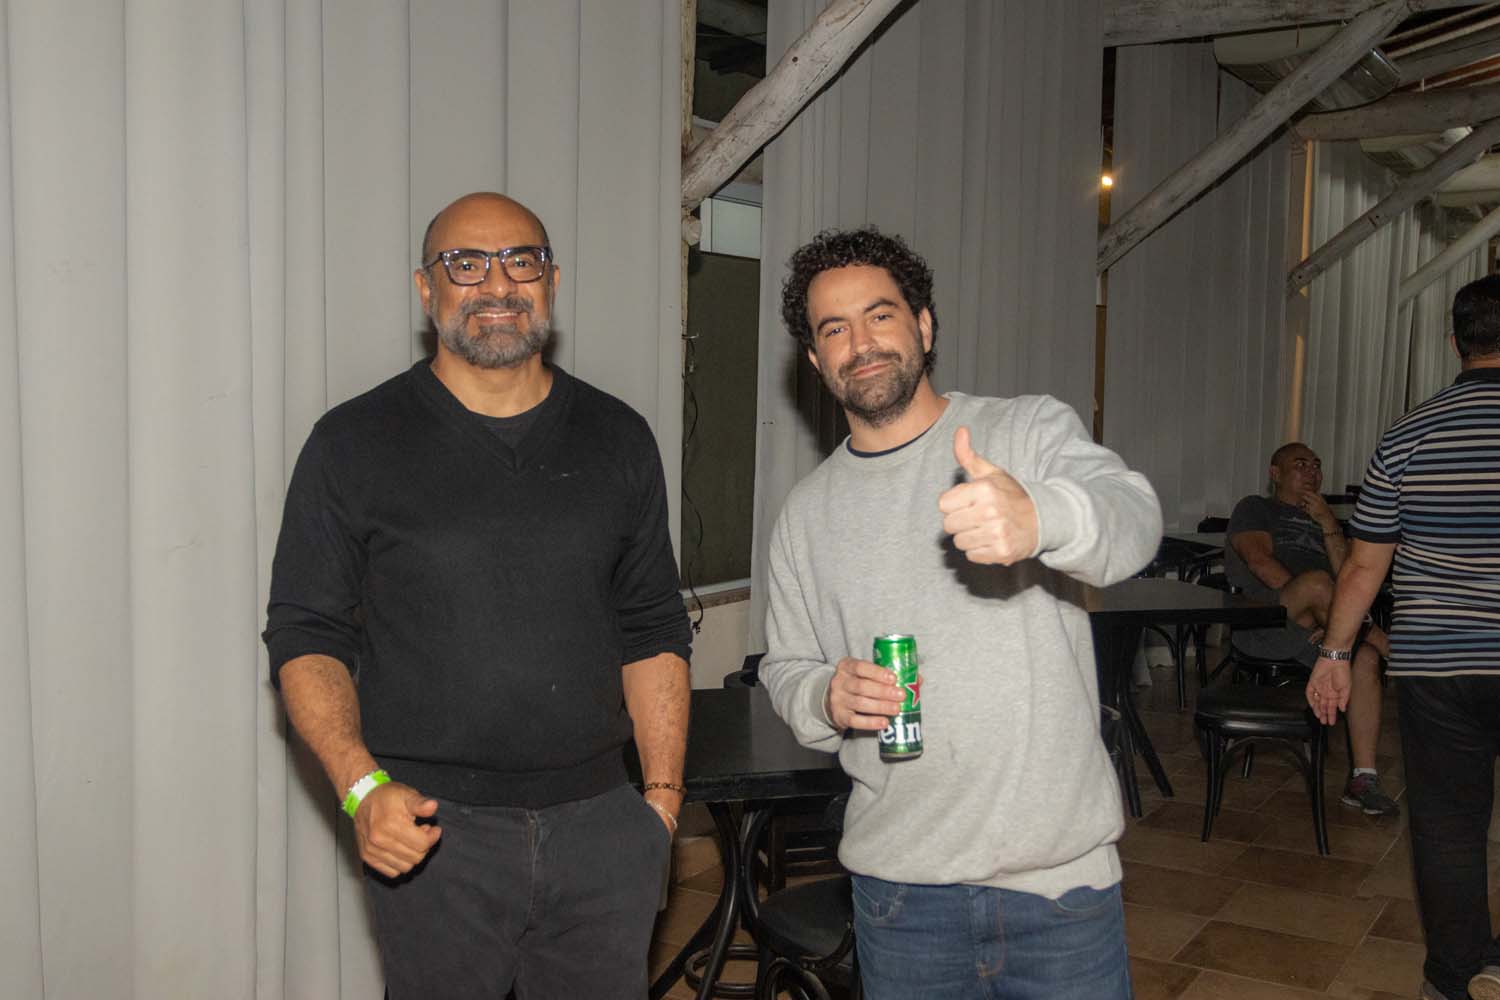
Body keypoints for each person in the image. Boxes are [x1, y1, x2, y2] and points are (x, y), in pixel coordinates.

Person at [262, 192, 692, 999]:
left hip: (603, 828)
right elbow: (305, 634)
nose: (498, 284)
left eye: (521, 261)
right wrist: (362, 790)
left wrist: (660, 809)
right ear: (426, 289)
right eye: (465, 264)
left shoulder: (620, 437)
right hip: (430, 834)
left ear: (551, 282)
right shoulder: (350, 443)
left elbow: (654, 628)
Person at [758, 227, 1161, 1000]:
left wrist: (1041, 517)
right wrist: (824, 696)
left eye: (880, 315)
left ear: (923, 325)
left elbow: (1134, 517)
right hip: (900, 896)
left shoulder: (1023, 432)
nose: (860, 344)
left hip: (1059, 891)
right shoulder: (806, 514)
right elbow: (786, 666)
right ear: (814, 359)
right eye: (834, 329)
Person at [1306, 274, 1500, 1000]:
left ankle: (1453, 976)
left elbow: (1363, 566)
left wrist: (1334, 655)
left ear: (1454, 343)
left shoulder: (1409, 434)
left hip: (1438, 666)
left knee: (1447, 826)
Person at [1224, 442, 1397, 816]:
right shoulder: (1255, 507)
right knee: (1318, 584)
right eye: (1300, 464)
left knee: (1365, 659)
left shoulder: (1323, 519)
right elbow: (1259, 563)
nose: (1312, 472)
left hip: (1322, 626)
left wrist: (1329, 523)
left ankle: (1363, 779)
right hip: (1266, 621)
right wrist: (1328, 615)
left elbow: (1351, 578)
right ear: (1275, 474)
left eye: (1316, 465)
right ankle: (1394, 651)